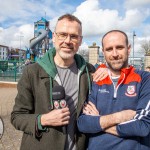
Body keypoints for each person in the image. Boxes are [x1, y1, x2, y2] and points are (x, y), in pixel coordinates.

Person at [11, 14, 107, 150]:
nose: (67, 41)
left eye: (73, 36)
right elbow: (17, 117)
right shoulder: (32, 72)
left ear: (80, 40)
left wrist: (107, 71)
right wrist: (42, 120)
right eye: (63, 34)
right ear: (54, 37)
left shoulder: (88, 71)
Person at [77, 30, 150, 150]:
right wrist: (119, 117)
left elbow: (143, 126)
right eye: (109, 49)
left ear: (129, 48)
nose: (115, 53)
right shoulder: (96, 80)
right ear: (103, 52)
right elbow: (83, 123)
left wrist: (99, 120)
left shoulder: (144, 79)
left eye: (120, 47)